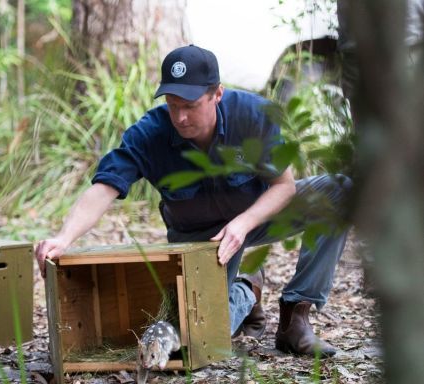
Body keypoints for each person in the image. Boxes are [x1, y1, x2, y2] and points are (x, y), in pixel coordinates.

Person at [35, 45, 351, 357]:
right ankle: (246, 289)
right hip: (199, 240)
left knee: (341, 191)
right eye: (173, 105)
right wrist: (63, 238)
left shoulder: (252, 115)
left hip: (256, 215)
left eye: (191, 105)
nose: (181, 117)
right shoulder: (150, 133)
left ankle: (296, 315)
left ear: (217, 94)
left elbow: (284, 187)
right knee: (195, 338)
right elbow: (104, 188)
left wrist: (242, 224)